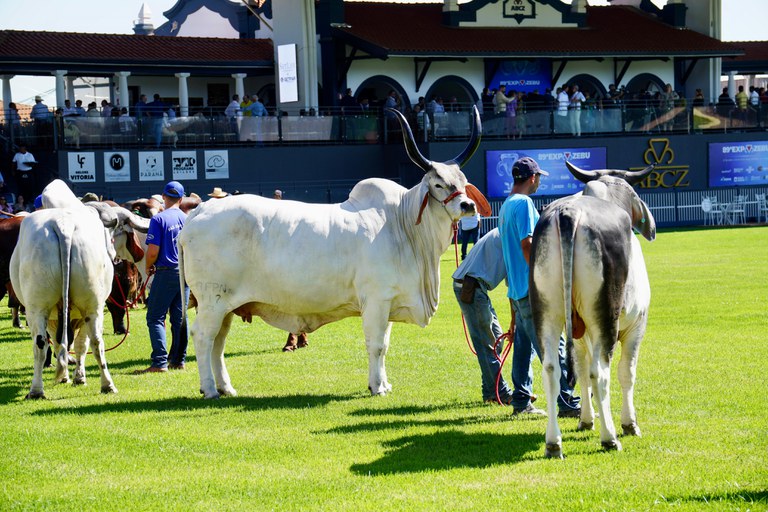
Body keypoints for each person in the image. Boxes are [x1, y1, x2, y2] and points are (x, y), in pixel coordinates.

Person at [498, 157, 580, 417]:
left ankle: (521, 401)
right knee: (554, 346)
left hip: (517, 290)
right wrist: (545, 277)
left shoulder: (506, 205)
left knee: (522, 350)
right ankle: (566, 401)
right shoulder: (523, 203)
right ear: (532, 178)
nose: (539, 182)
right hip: (532, 289)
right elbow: (526, 244)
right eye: (539, 177)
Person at [452, 228, 514, 405]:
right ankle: (501, 393)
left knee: (495, 341)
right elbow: (514, 288)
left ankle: (489, 391)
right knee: (487, 344)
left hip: (474, 286)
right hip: (471, 287)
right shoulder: (514, 238)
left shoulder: (502, 230)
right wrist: (514, 322)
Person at [136, 181, 190, 373]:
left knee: (155, 317)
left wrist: (148, 267)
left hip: (166, 271)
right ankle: (179, 360)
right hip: (185, 272)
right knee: (180, 317)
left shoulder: (158, 220)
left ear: (164, 197)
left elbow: (152, 252)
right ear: (181, 199)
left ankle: (159, 362)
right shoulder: (187, 219)